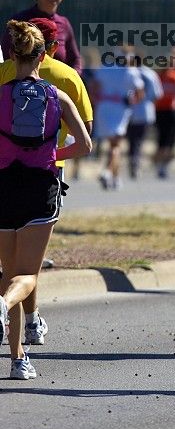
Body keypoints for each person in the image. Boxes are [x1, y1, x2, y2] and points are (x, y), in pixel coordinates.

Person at [0, 20, 92, 379]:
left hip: (3, 185)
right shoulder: (58, 95)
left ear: (12, 53)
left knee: (8, 271)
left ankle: (18, 357)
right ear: (43, 54)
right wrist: (53, 155)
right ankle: (4, 308)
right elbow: (85, 145)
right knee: (26, 276)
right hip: (41, 188)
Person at [1, 0, 82, 73]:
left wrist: (72, 77)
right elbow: (5, 56)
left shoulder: (64, 23)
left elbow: (75, 60)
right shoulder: (20, 21)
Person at [93, 50, 144, 189]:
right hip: (120, 108)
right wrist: (132, 101)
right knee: (116, 145)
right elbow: (140, 92)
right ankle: (108, 172)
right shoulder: (131, 72)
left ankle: (116, 177)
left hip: (103, 107)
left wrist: (96, 102)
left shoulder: (104, 68)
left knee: (112, 144)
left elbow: (94, 87)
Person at [125, 53, 163, 179]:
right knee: (139, 140)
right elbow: (157, 94)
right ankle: (136, 161)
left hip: (129, 112)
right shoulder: (150, 74)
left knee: (131, 140)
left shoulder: (128, 73)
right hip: (145, 112)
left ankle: (133, 160)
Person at [154, 51, 175, 179]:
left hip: (171, 111)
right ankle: (161, 163)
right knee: (164, 138)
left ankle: (163, 164)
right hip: (162, 110)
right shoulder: (159, 77)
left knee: (169, 138)